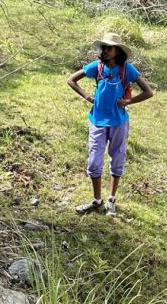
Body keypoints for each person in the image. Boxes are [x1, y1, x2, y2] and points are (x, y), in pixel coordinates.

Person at [66, 32, 153, 215]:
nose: (105, 51)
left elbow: (148, 92)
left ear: (117, 51)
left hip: (118, 122)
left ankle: (111, 199)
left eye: (110, 48)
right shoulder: (96, 67)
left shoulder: (126, 69)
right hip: (97, 120)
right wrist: (87, 96)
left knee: (117, 158)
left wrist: (128, 102)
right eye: (104, 47)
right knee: (94, 162)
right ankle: (97, 201)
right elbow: (71, 80)